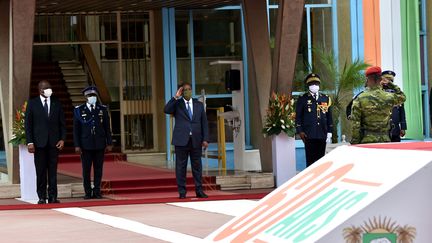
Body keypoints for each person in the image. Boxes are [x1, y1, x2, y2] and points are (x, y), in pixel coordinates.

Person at [164, 83, 209, 199]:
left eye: (189, 89)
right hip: (181, 140)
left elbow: (204, 123)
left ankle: (199, 190)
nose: (188, 91)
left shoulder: (199, 105)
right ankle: (182, 192)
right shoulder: (177, 104)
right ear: (181, 91)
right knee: (180, 167)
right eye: (185, 90)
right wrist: (175, 97)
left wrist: (205, 139)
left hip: (196, 140)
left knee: (197, 167)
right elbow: (166, 109)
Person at [24, 80, 66, 204]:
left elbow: (62, 124)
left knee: (53, 171)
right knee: (41, 171)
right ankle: (41, 196)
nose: (49, 90)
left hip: (54, 143)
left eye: (50, 87)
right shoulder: (32, 104)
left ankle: (53, 196)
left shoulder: (56, 103)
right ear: (40, 90)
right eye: (47, 88)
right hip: (39, 144)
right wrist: (30, 142)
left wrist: (62, 139)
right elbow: (28, 125)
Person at [73, 86, 112, 199]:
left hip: (99, 143)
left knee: (98, 169)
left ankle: (97, 191)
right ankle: (88, 192)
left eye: (94, 95)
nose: (92, 97)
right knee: (86, 170)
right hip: (85, 145)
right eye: (90, 96)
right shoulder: (79, 110)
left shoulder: (102, 109)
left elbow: (106, 128)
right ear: (85, 97)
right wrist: (77, 145)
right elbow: (76, 130)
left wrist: (109, 142)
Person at [350, 66, 406, 144]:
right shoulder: (389, 97)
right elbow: (402, 97)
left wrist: (355, 142)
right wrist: (390, 84)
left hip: (367, 141)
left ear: (367, 79)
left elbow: (356, 124)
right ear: (381, 79)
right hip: (385, 140)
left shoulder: (360, 98)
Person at [295, 73, 333, 167]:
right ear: (308, 85)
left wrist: (330, 131)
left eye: (316, 84)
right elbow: (298, 117)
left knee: (321, 161)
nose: (314, 86)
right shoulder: (302, 99)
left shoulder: (325, 98)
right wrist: (300, 131)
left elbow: (329, 116)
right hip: (309, 134)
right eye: (312, 84)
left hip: (322, 133)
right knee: (311, 161)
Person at [382, 70, 407, 142]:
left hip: (395, 129)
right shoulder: (379, 92)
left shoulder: (397, 94)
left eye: (391, 80)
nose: (389, 82)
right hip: (383, 130)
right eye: (387, 80)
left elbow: (402, 112)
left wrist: (403, 127)